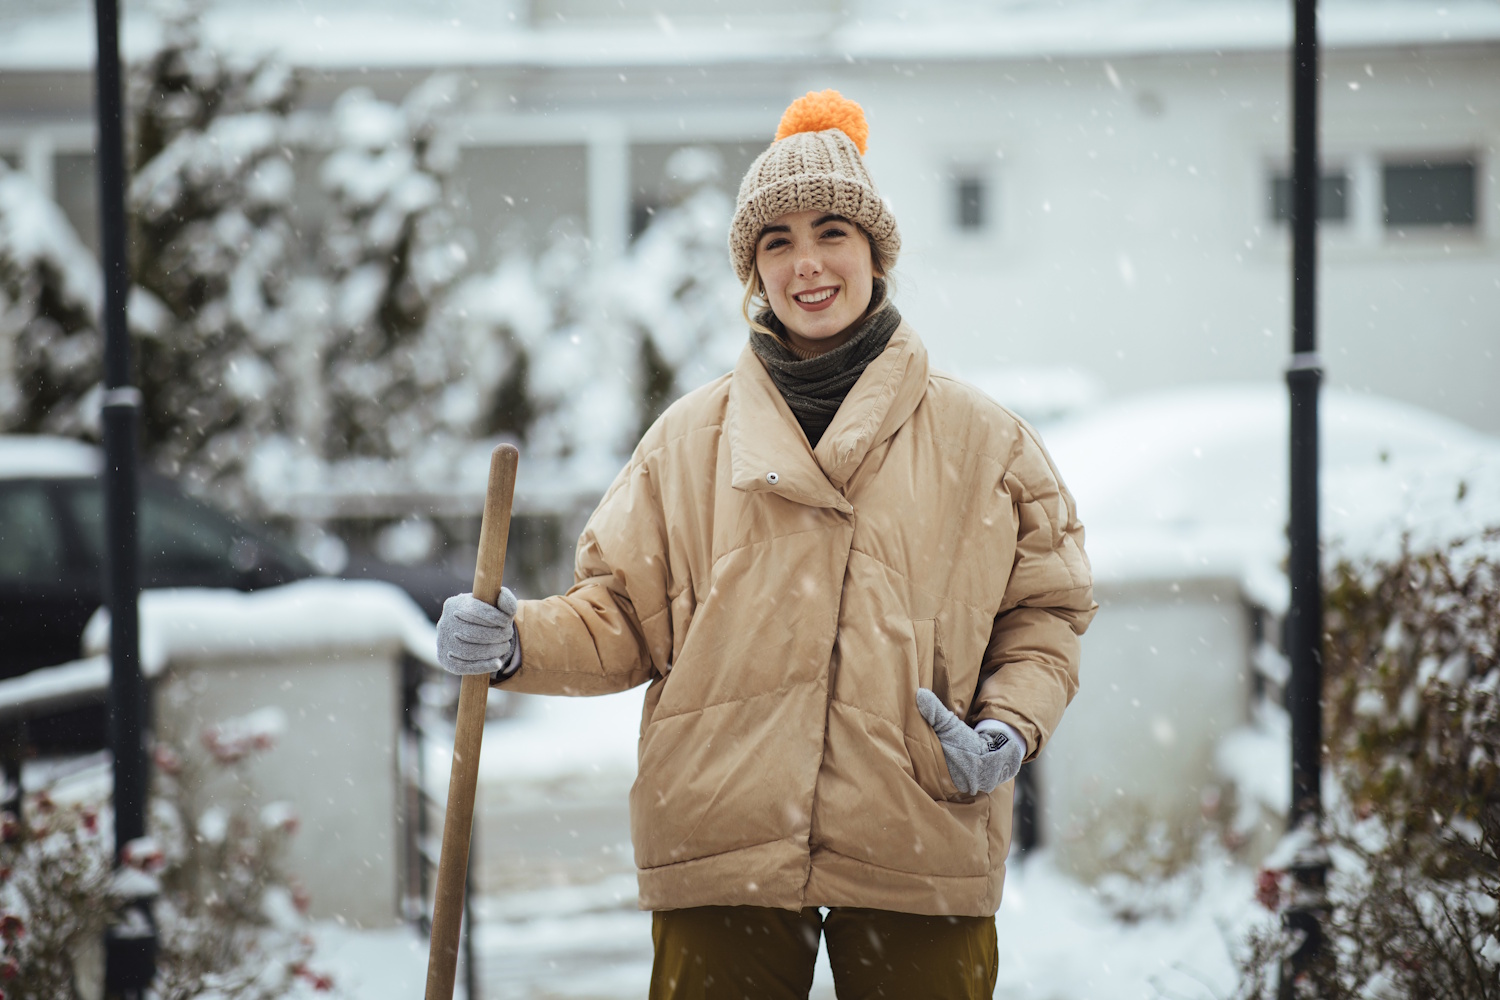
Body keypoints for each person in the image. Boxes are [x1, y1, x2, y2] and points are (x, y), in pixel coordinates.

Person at [437, 90, 1096, 999]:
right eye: (776, 241)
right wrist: (516, 640)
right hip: (720, 830)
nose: (807, 263)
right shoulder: (687, 441)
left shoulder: (986, 442)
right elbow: (624, 613)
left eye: (832, 231)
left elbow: (1046, 613)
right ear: (753, 269)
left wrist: (1007, 728)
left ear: (877, 254)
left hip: (918, 822)